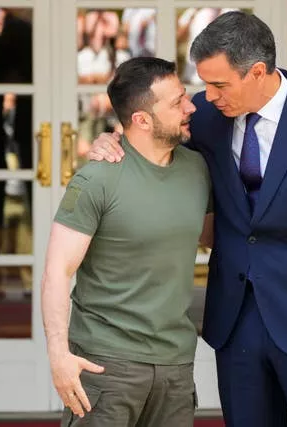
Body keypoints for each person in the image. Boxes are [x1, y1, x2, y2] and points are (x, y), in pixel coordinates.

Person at [87, 11, 287, 427]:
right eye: (203, 83)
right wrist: (108, 142)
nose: (207, 95)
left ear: (257, 72)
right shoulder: (205, 114)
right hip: (235, 321)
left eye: (219, 84)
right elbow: (146, 132)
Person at [41, 57, 213, 427]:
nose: (191, 107)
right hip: (107, 365)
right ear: (142, 120)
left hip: (175, 366)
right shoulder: (97, 180)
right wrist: (59, 356)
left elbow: (221, 238)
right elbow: (58, 271)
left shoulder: (197, 169)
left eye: (185, 96)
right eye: (177, 102)